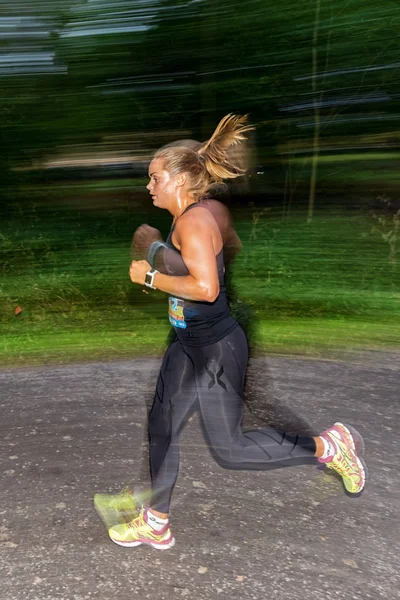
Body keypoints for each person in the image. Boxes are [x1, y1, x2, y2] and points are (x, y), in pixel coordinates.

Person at [97, 114, 367, 550]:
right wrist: (158, 254)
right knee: (161, 422)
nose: (149, 186)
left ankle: (328, 446)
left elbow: (206, 288)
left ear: (181, 180)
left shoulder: (193, 221)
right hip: (187, 342)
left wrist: (149, 277)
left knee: (231, 448)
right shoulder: (188, 216)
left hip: (218, 349)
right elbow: (195, 266)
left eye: (155, 178)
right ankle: (156, 521)